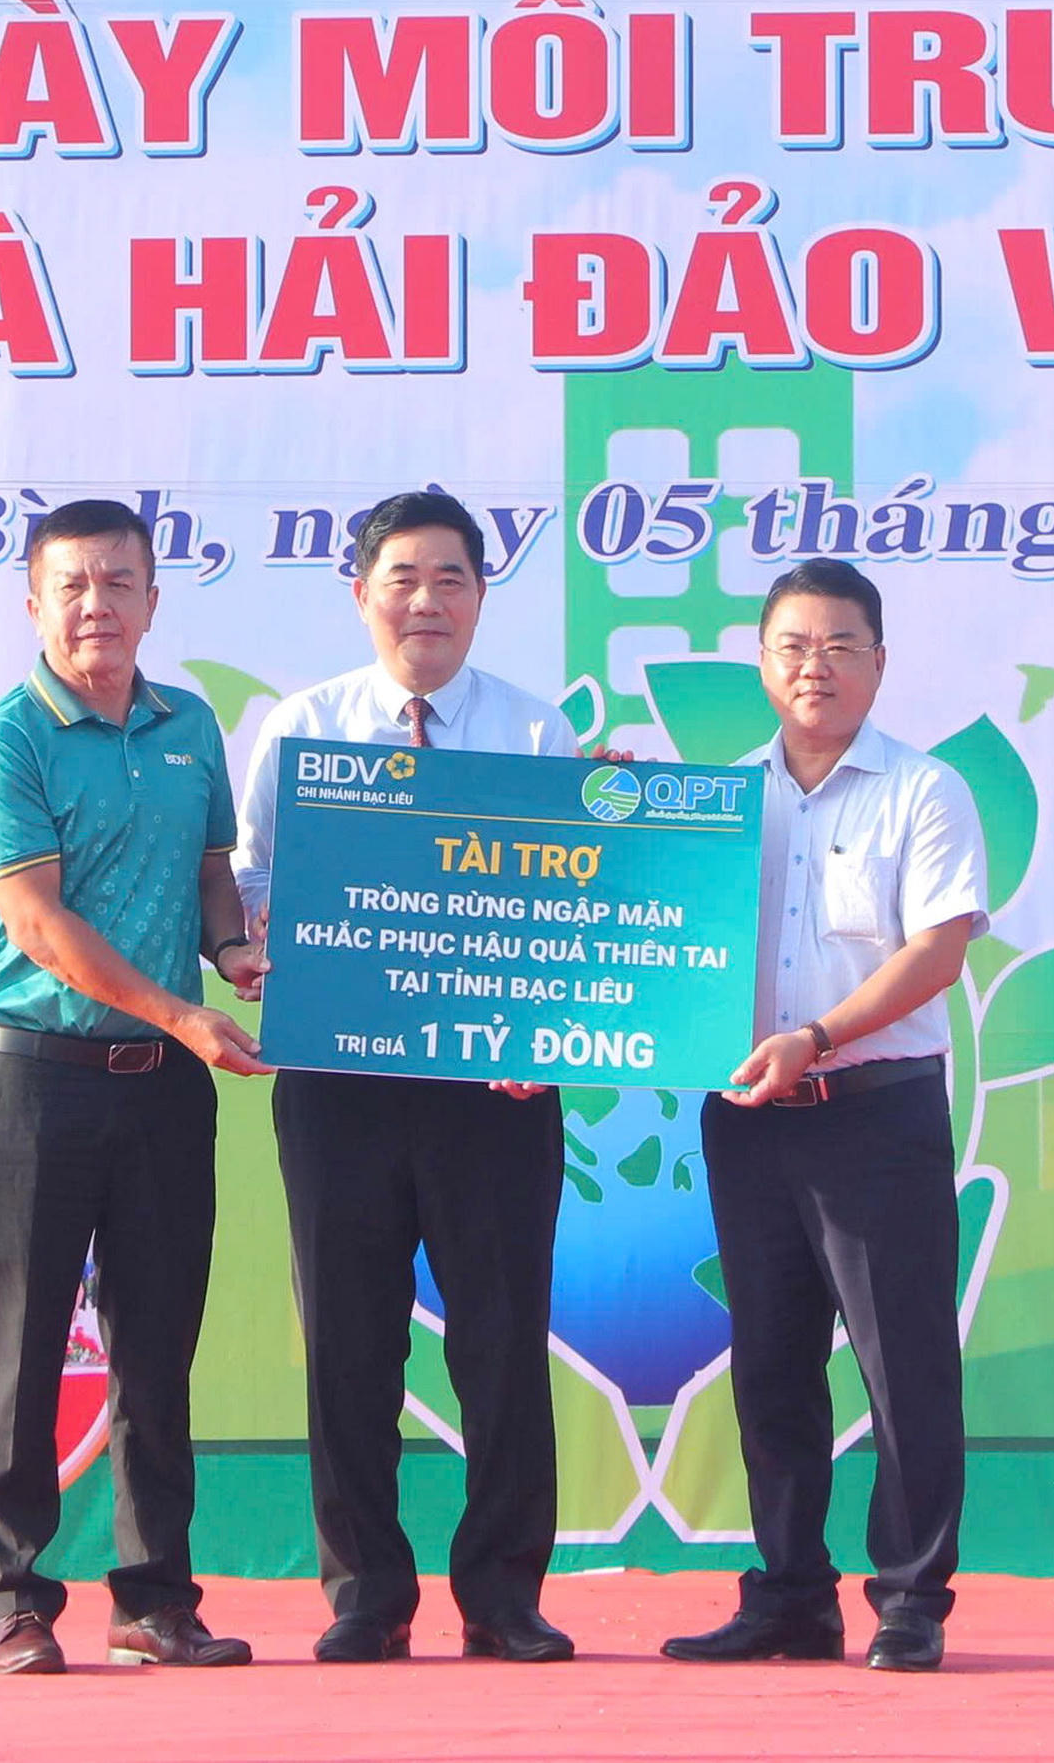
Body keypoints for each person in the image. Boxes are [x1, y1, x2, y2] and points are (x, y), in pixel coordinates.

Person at [233, 490, 584, 1667]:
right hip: (340, 1080)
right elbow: (253, 881)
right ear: (361, 594)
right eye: (403, 577)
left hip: (496, 1089)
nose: (426, 599)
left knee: (502, 1342)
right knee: (348, 1341)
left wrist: (547, 1029)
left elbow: (576, 910)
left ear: (482, 596)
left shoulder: (535, 736)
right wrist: (267, 946)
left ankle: (504, 1595)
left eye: (450, 578)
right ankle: (366, 1595)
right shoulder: (304, 729)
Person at [0, 497, 267, 1675]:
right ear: (35, 603)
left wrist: (231, 951)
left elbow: (211, 872)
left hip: (165, 1091)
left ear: (152, 599)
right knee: (18, 1348)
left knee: (157, 1349)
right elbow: (37, 926)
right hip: (36, 1079)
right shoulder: (8, 740)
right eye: (73, 585)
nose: (97, 605)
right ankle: (12, 1599)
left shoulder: (189, 726)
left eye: (118, 582)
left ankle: (155, 1599)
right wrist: (184, 1012)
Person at [661, 558, 988, 1676]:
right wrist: (613, 820)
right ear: (762, 665)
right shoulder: (716, 802)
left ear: (879, 664)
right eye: (795, 646)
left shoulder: (924, 791)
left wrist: (820, 1036)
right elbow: (645, 925)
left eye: (842, 646)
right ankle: (792, 1595)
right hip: (749, 1115)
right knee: (770, 1364)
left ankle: (911, 1599)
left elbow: (935, 952)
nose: (817, 667)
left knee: (903, 1365)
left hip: (875, 1112)